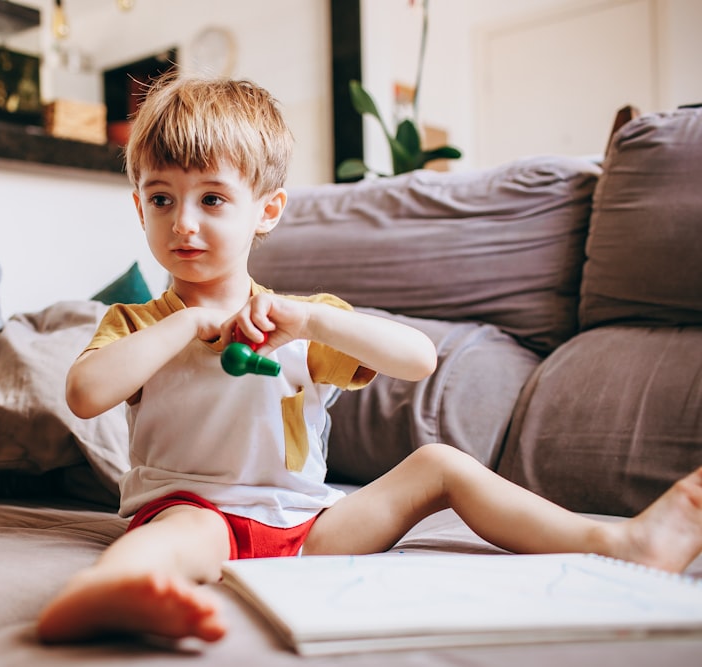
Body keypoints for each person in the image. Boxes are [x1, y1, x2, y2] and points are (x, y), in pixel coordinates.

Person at [36, 74, 702, 645]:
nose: (183, 222)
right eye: (161, 198)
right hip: (197, 514)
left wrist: (316, 319)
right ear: (139, 206)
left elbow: (418, 360)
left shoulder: (298, 319)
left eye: (211, 198)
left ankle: (621, 546)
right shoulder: (142, 322)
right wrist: (186, 323)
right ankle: (109, 588)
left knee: (439, 464)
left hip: (309, 529)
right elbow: (86, 393)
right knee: (187, 527)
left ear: (266, 211)